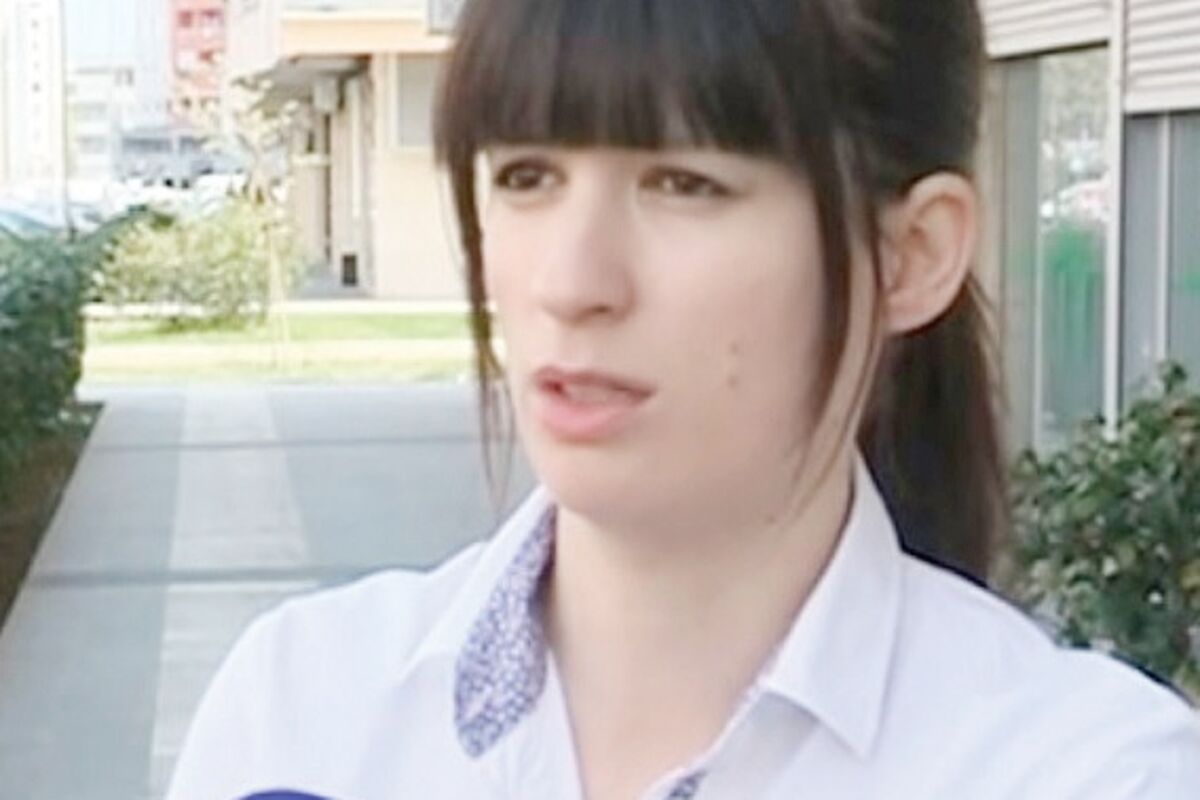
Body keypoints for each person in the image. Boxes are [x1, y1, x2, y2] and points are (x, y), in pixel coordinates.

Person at [167, 0, 1200, 798]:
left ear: (913, 254)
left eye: (684, 184)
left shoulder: (1085, 771)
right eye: (525, 176)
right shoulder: (304, 714)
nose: (573, 281)